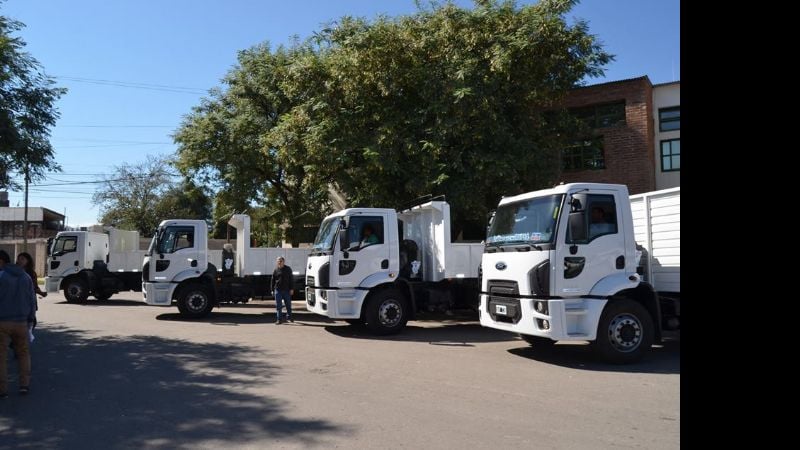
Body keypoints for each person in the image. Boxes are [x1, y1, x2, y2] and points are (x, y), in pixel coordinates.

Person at [0, 250, 36, 398]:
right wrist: (30, 319)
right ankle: (24, 385)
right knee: (23, 354)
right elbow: (31, 300)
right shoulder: (26, 277)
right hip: (21, 321)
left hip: (2, 321)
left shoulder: (1, 276)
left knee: (1, 356)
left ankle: (2, 389)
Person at [271, 256, 294, 324]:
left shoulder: (288, 269)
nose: (279, 262)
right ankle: (279, 320)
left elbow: (291, 279)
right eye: (278, 261)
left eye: (280, 261)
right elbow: (272, 280)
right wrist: (272, 290)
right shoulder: (275, 270)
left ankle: (289, 317)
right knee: (278, 306)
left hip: (286, 290)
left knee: (288, 305)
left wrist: (291, 289)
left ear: (284, 262)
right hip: (278, 290)